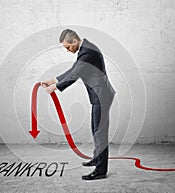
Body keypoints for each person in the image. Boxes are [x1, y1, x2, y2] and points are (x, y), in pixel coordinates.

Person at [41, 29, 115, 180]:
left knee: (99, 132)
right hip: (99, 95)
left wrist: (54, 88)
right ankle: (97, 158)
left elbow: (75, 75)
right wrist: (53, 80)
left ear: (74, 41)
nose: (68, 51)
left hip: (101, 96)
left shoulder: (88, 52)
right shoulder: (86, 50)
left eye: (68, 47)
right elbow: (74, 70)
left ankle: (101, 170)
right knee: (96, 129)